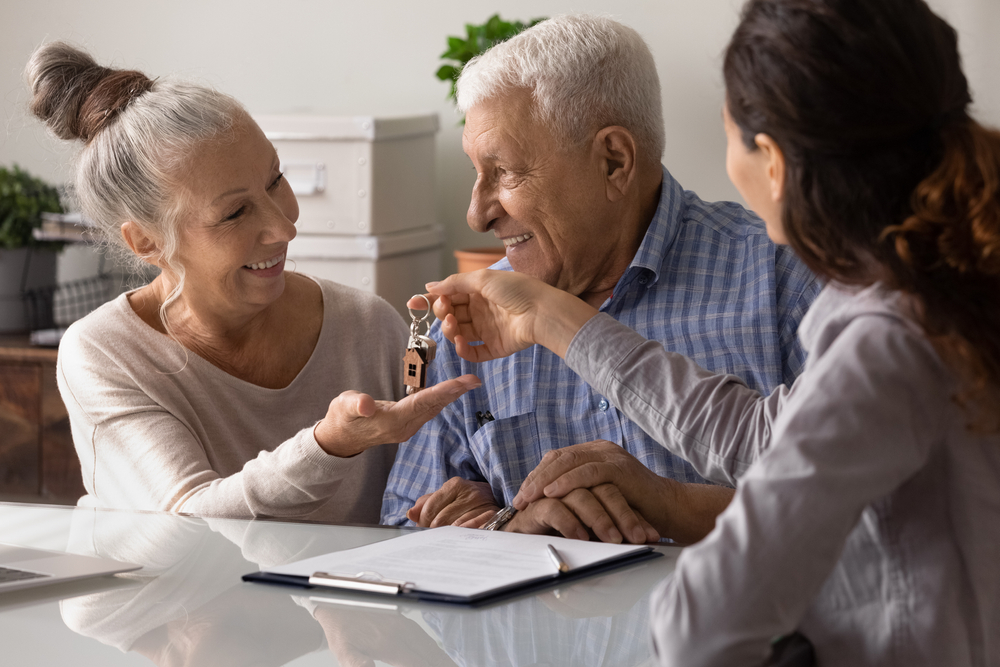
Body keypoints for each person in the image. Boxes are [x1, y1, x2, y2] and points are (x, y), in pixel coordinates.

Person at [424, 0, 1000, 664]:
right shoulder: (929, 300)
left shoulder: (884, 344)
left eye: (728, 134)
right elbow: (759, 433)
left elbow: (702, 624)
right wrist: (551, 317)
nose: (476, 209)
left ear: (774, 163)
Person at [380, 14, 820, 543]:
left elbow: (862, 513)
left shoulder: (785, 278)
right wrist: (501, 530)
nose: (477, 214)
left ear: (614, 161)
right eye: (477, 172)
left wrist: (672, 505)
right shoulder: (473, 320)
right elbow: (399, 535)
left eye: (506, 172)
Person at [25, 42, 479, 522]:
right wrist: (330, 445)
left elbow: (425, 496)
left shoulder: (368, 326)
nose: (285, 229)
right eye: (235, 212)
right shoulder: (104, 352)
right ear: (147, 242)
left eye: (276, 180)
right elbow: (190, 524)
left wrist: (469, 501)